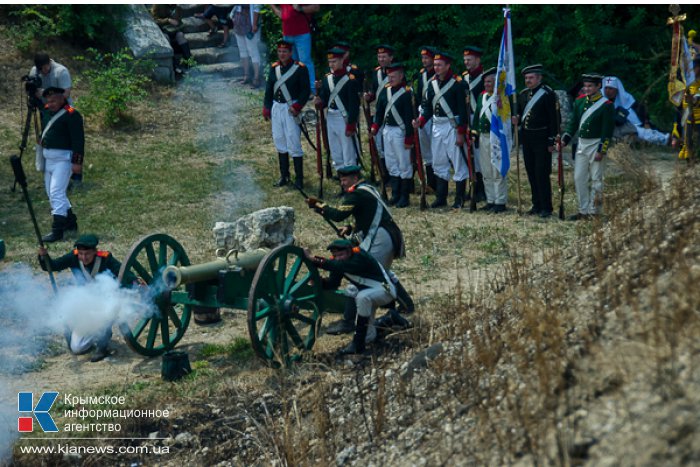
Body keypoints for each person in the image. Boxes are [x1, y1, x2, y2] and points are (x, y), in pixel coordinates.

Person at [305, 165, 412, 337]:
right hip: (384, 234)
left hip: (380, 237)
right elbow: (367, 215)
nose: (342, 183)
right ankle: (406, 304)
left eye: (345, 179)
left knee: (361, 275)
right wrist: (350, 227)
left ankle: (348, 322)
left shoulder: (358, 193)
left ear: (355, 178)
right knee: (380, 271)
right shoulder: (367, 189)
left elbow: (339, 214)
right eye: (340, 180)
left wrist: (318, 204)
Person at [37, 234, 135, 362]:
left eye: (87, 254)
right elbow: (52, 266)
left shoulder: (106, 259)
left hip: (107, 300)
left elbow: (124, 274)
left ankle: (102, 346)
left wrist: (134, 282)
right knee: (77, 348)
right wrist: (43, 256)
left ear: (95, 251)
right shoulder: (73, 257)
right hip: (86, 302)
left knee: (108, 309)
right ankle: (91, 333)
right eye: (81, 254)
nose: (83, 257)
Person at [304, 239, 396, 355]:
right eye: (335, 255)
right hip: (370, 291)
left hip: (384, 290)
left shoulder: (359, 256)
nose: (338, 258)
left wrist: (314, 260)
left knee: (362, 297)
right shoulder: (339, 264)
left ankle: (357, 344)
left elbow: (340, 265)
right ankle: (391, 319)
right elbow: (333, 283)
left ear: (349, 251)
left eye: (341, 254)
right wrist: (320, 282)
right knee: (369, 336)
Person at [413, 51, 469, 209]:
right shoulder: (432, 84)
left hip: (453, 126)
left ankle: (459, 198)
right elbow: (427, 108)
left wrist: (460, 132)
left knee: (458, 162)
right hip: (437, 126)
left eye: (439, 65)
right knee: (438, 161)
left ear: (448, 65)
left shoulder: (458, 84)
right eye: (435, 64)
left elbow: (463, 111)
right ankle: (441, 197)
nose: (436, 67)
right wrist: (421, 121)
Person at [560, 73, 615, 220]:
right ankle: (582, 210)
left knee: (596, 178)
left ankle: (594, 211)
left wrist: (601, 150)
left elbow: (607, 131)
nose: (587, 88)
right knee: (579, 178)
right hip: (582, 144)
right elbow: (573, 124)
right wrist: (564, 140)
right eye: (585, 86)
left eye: (590, 86)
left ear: (599, 86)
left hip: (596, 144)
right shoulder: (579, 102)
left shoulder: (606, 105)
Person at [38, 87, 84, 242]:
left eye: (53, 101)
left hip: (63, 160)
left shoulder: (72, 114)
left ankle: (57, 231)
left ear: (62, 99)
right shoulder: (46, 111)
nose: (50, 104)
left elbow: (78, 140)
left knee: (57, 193)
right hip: (49, 159)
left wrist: (77, 163)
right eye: (48, 101)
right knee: (53, 194)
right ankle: (70, 222)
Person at [263, 40, 311, 188]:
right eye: (280, 51)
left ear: (290, 53)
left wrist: (297, 106)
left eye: (285, 52)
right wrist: (267, 106)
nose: (282, 54)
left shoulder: (300, 69)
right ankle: (284, 176)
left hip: (291, 108)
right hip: (277, 108)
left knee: (293, 140)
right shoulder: (274, 68)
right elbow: (269, 88)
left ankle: (299, 178)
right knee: (279, 139)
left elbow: (305, 91)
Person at [513, 64, 559, 218]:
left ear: (539, 78)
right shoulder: (523, 94)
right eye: (526, 78)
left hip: (542, 138)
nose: (528, 80)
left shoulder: (548, 94)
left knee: (542, 173)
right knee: (531, 172)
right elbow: (520, 114)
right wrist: (516, 119)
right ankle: (536, 204)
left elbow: (554, 119)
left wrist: (552, 140)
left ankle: (546, 207)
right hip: (527, 139)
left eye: (531, 77)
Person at [371, 62, 415, 208]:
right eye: (389, 76)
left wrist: (409, 137)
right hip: (387, 130)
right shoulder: (385, 91)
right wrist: (375, 126)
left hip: (400, 132)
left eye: (393, 76)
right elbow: (379, 111)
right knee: (391, 163)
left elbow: (409, 117)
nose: (390, 79)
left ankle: (404, 196)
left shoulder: (407, 92)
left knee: (404, 164)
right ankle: (395, 194)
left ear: (401, 76)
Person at [315, 48, 360, 174]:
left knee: (348, 151)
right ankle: (342, 179)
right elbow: (324, 97)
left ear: (342, 60)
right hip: (330, 116)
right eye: (330, 62)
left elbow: (353, 105)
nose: (331, 64)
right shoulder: (327, 78)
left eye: (334, 61)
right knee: (335, 150)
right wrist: (319, 101)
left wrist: (351, 124)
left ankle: (351, 179)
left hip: (343, 118)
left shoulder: (350, 80)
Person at [473, 68, 509, 213]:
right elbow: (477, 116)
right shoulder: (482, 97)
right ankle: (490, 200)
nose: (487, 84)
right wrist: (474, 133)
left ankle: (500, 201)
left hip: (497, 138)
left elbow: (506, 117)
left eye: (490, 81)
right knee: (486, 170)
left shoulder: (502, 97)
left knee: (497, 170)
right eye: (486, 81)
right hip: (483, 137)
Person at [602, 76, 670, 146]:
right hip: (613, 127)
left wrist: (645, 122)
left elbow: (638, 113)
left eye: (610, 88)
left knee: (642, 132)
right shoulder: (601, 101)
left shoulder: (626, 99)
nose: (607, 91)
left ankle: (664, 139)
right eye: (606, 88)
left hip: (628, 124)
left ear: (617, 90)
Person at [269, 4, 320, 91]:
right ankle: (294, 89)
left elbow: (316, 7)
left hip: (302, 33)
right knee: (290, 63)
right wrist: (276, 10)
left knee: (305, 62)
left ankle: (310, 89)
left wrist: (300, 8)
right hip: (287, 34)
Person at [364, 44, 395, 180]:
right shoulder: (376, 72)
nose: (381, 59)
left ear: (391, 58)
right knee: (379, 143)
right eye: (379, 57)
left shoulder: (396, 72)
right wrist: (369, 97)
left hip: (393, 113)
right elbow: (375, 92)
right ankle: (384, 174)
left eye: (384, 56)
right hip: (379, 112)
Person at [462, 46, 487, 203]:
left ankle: (482, 190)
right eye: (465, 60)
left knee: (479, 156)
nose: (466, 63)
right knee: (468, 154)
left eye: (469, 60)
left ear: (477, 60)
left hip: (479, 119)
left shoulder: (485, 78)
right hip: (467, 118)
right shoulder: (464, 78)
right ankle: (472, 186)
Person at [414, 46, 438, 191]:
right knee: (426, 149)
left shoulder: (438, 75)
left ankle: (437, 182)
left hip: (435, 114)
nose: (424, 60)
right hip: (423, 113)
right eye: (423, 58)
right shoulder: (421, 74)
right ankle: (430, 183)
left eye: (427, 58)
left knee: (436, 148)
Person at [151, 4, 192, 75]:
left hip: (174, 30)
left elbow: (179, 20)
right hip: (163, 30)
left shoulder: (176, 7)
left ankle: (189, 62)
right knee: (166, 38)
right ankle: (175, 66)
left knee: (180, 35)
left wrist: (178, 22)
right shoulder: (158, 5)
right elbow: (155, 20)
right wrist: (168, 20)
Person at [230, 4, 262, 87]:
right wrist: (233, 18)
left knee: (253, 51)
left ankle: (256, 77)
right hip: (238, 23)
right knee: (242, 51)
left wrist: (254, 24)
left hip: (250, 25)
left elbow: (257, 8)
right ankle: (246, 75)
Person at [676, 59, 700, 159]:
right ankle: (689, 158)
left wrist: (695, 98)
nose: (694, 70)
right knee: (688, 138)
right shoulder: (688, 81)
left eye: (695, 68)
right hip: (688, 113)